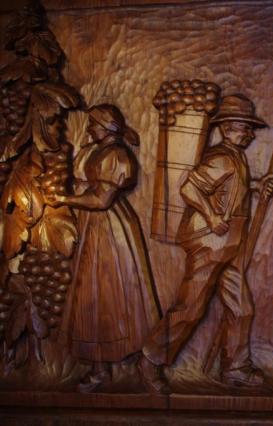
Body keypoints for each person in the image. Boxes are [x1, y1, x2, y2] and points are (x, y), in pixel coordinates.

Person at [138, 94, 273, 392]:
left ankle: (235, 368)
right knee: (191, 308)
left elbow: (230, 190)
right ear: (226, 128)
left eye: (251, 129)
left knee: (242, 308)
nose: (250, 134)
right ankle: (151, 359)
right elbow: (189, 188)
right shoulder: (220, 158)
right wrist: (212, 217)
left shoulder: (235, 156)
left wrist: (256, 186)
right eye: (244, 127)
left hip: (231, 244)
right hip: (210, 242)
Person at [48, 104, 163, 393]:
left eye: (93, 124)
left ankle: (128, 359)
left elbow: (101, 200)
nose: (89, 129)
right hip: (94, 227)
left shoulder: (117, 156)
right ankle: (100, 368)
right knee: (93, 295)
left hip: (109, 231)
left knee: (109, 293)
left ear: (107, 126)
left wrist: (64, 199)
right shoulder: (98, 150)